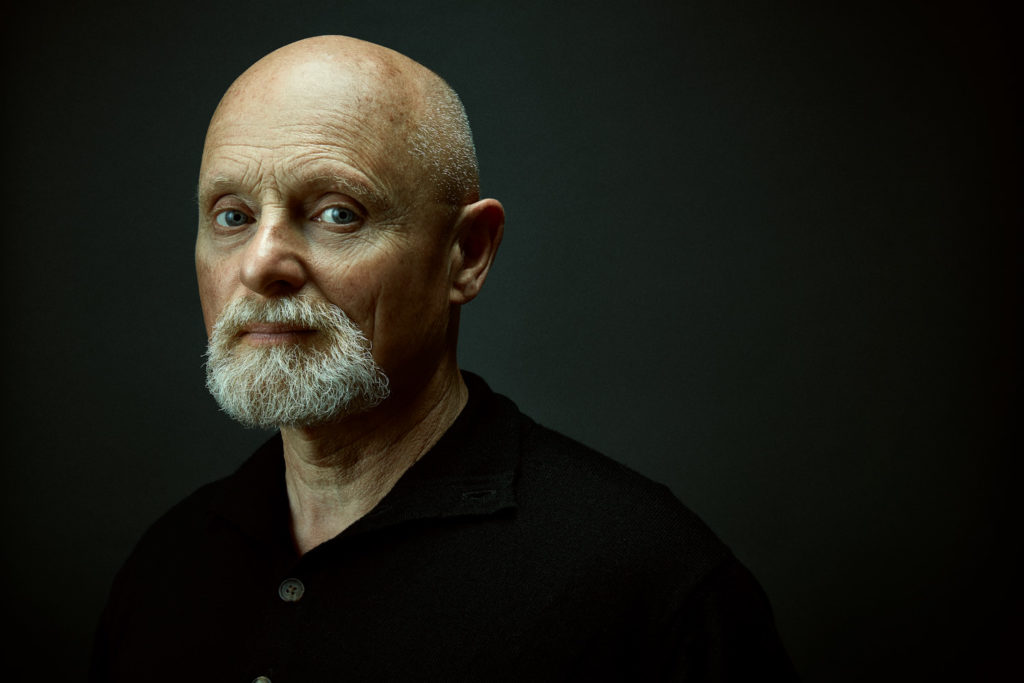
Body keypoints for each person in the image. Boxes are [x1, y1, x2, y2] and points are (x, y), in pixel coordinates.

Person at [90, 35, 797, 682]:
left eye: (338, 213)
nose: (261, 263)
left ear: (467, 253)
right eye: (233, 216)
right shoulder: (167, 568)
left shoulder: (650, 585)